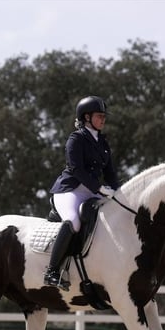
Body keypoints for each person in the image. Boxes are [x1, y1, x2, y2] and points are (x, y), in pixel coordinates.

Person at [44, 95, 121, 289]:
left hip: (92, 192)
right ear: (87, 117)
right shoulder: (76, 139)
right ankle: (52, 271)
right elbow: (76, 169)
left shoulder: (102, 142)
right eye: (99, 116)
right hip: (70, 191)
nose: (103, 119)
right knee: (73, 221)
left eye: (104, 116)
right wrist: (99, 188)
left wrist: (119, 193)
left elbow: (110, 172)